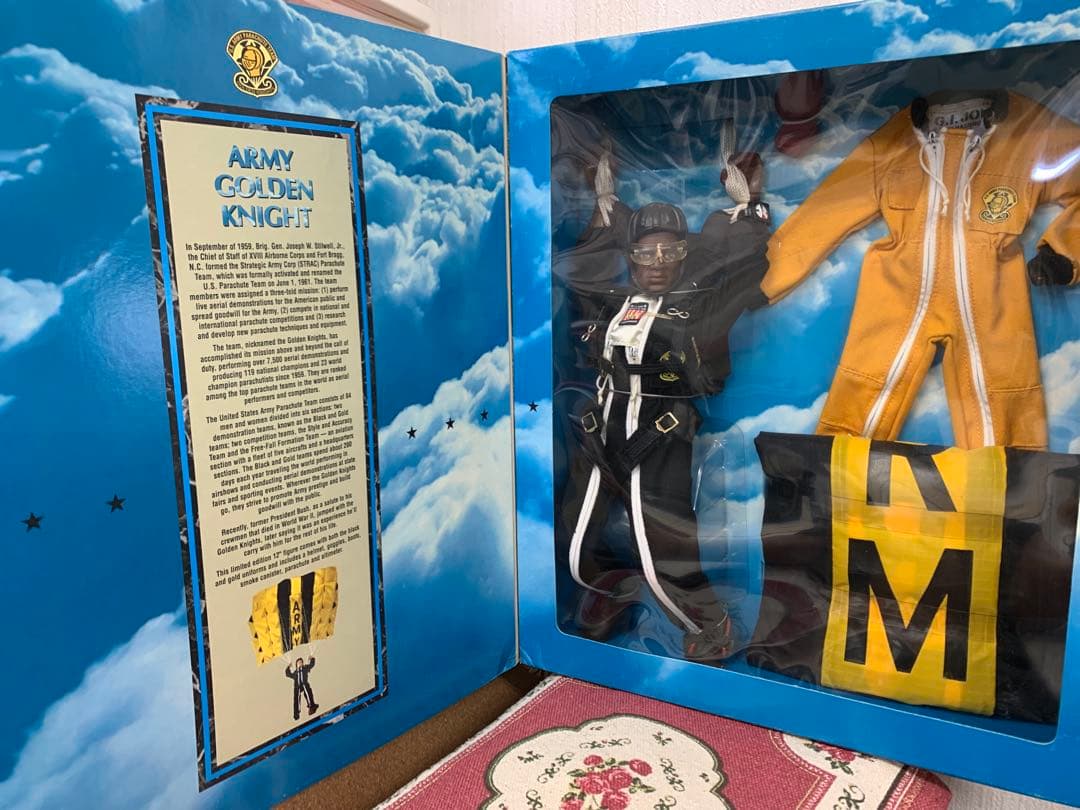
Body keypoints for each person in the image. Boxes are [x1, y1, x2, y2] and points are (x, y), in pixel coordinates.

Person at [554, 139, 770, 662]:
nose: (657, 263)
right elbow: (595, 255)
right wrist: (605, 200)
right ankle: (611, 593)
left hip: (662, 432)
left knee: (662, 547)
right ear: (630, 258)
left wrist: (748, 209)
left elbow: (739, 260)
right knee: (576, 542)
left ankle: (708, 621)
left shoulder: (699, 302)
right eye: (645, 253)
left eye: (669, 252)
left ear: (684, 255)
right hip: (603, 428)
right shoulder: (614, 299)